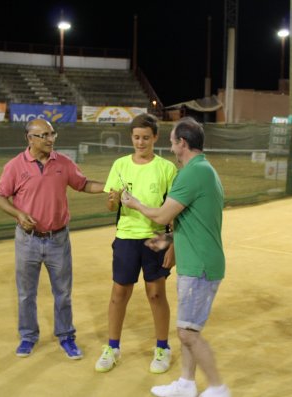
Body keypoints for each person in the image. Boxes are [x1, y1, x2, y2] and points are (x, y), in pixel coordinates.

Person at [121, 117, 231, 397]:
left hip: (200, 266)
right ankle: (186, 383)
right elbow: (194, 221)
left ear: (182, 143)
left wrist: (133, 203)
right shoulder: (203, 170)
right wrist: (163, 241)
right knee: (188, 326)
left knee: (187, 333)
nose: (169, 147)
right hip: (199, 261)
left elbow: (161, 215)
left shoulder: (193, 173)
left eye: (171, 142)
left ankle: (218, 388)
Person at [0, 118, 105, 360]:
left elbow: (83, 184)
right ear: (30, 138)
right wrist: (18, 213)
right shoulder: (14, 166)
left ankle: (66, 336)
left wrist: (109, 188)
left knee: (63, 293)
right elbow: (0, 197)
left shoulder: (63, 163)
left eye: (52, 134)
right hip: (27, 240)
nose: (50, 139)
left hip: (58, 239)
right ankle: (28, 336)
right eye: (44, 135)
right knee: (26, 293)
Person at [95, 113, 177, 374]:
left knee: (155, 293)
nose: (140, 143)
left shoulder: (167, 168)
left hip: (156, 237)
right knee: (119, 293)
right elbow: (110, 206)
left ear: (155, 137)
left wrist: (173, 244)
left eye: (145, 138)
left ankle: (163, 347)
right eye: (136, 137)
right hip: (126, 236)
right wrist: (114, 199)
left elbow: (174, 211)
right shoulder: (120, 165)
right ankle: (112, 347)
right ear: (131, 137)